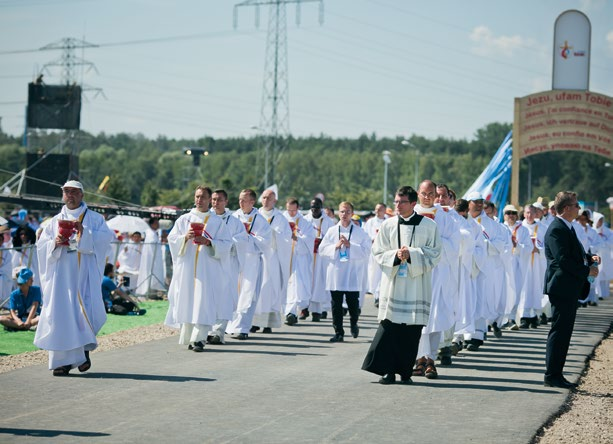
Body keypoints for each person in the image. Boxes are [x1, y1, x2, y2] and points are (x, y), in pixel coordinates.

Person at [361, 186, 441, 384]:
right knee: (390, 328)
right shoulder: (388, 225)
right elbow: (377, 252)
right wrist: (396, 256)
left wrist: (412, 254)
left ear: (413, 204)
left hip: (416, 284)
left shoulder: (429, 226)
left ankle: (405, 372)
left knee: (411, 331)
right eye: (396, 201)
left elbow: (435, 254)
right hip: (394, 282)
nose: (397, 205)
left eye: (402, 202)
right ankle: (387, 371)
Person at [34, 180, 114, 376]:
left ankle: (83, 350)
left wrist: (84, 233)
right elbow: (42, 247)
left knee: (84, 311)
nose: (70, 195)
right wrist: (55, 243)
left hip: (84, 274)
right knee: (61, 315)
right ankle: (61, 362)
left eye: (74, 192)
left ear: (82, 195)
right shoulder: (53, 221)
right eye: (67, 191)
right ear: (62, 194)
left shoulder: (95, 219)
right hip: (62, 276)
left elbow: (105, 241)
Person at [164, 186, 231, 352]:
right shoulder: (184, 219)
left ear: (209, 200)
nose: (199, 200)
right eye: (197, 196)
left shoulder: (216, 222)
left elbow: (226, 244)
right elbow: (172, 239)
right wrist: (184, 238)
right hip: (187, 268)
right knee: (188, 301)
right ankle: (188, 337)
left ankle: (200, 339)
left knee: (203, 302)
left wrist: (209, 242)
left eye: (203, 197)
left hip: (206, 270)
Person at [543, 191, 599, 389]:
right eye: (575, 205)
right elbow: (563, 260)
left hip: (569, 287)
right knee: (559, 331)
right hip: (561, 287)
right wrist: (587, 270)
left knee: (565, 332)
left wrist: (590, 260)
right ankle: (552, 375)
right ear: (566, 208)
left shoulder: (568, 227)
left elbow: (575, 254)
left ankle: (557, 372)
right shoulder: (557, 229)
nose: (578, 209)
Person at [413, 180, 460, 377]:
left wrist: (435, 242)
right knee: (417, 318)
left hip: (439, 274)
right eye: (424, 193)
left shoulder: (446, 217)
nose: (428, 197)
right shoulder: (410, 214)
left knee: (435, 316)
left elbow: (454, 244)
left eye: (431, 193)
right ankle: (419, 359)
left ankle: (431, 359)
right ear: (418, 193)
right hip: (416, 273)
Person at [319, 201, 371, 343]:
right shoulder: (332, 231)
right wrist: (335, 246)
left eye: (348, 211)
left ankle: (354, 323)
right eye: (342, 211)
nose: (344, 214)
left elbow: (367, 250)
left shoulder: (360, 232)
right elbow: (322, 250)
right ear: (338, 213)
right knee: (336, 304)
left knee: (353, 303)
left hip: (352, 273)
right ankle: (338, 332)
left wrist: (350, 245)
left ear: (352, 213)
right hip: (336, 272)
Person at [226, 189, 272, 340]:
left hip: (251, 261)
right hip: (235, 260)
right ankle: (230, 325)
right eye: (239, 199)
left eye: (244, 200)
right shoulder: (233, 217)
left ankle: (243, 328)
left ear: (252, 202)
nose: (240, 202)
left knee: (249, 294)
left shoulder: (260, 220)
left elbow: (265, 243)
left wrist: (246, 238)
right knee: (233, 293)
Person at [208, 189, 246, 343]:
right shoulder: (206, 218)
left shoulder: (234, 221)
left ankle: (218, 332)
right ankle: (207, 330)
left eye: (219, 200)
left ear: (226, 202)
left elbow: (243, 240)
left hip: (228, 264)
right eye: (214, 199)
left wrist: (227, 244)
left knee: (224, 297)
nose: (216, 203)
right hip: (209, 262)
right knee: (209, 297)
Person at [252, 189, 291, 332]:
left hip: (272, 259)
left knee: (268, 289)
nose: (266, 200)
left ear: (274, 201)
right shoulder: (255, 215)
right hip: (256, 256)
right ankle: (253, 322)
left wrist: (273, 234)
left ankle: (268, 324)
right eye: (264, 198)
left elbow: (287, 238)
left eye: (269, 198)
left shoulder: (280, 218)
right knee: (255, 289)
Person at [283, 197, 315, 324]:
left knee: (295, 286)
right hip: (284, 257)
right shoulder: (281, 219)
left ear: (298, 208)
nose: (291, 213)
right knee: (284, 285)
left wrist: (296, 238)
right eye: (289, 210)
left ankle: (291, 313)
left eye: (293, 210)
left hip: (298, 258)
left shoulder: (304, 222)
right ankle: (286, 311)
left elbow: (309, 239)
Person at [304, 197, 335, 320]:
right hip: (308, 255)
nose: (314, 209)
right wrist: (311, 241)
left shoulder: (328, 221)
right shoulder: (305, 219)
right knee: (306, 280)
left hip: (322, 257)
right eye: (312, 207)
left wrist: (322, 242)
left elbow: (332, 238)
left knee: (319, 282)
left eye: (317, 207)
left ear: (321, 207)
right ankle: (304, 309)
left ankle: (317, 311)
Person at [363, 203, 387, 308]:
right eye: (376, 209)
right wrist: (374, 237)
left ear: (385, 210)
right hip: (373, 252)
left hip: (385, 252)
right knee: (373, 275)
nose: (378, 211)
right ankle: (375, 293)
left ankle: (380, 296)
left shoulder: (388, 221)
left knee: (383, 275)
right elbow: (365, 235)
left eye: (380, 209)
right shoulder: (370, 222)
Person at [136, 218, 166, 299]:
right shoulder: (150, 233)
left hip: (155, 258)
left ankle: (153, 292)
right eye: (156, 223)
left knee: (155, 273)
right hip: (150, 258)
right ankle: (147, 292)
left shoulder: (154, 233)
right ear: (152, 224)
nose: (158, 225)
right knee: (148, 272)